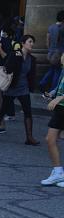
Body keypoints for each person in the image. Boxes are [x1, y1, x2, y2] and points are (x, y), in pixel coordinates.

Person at [0, 35, 39, 145]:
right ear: (23, 43)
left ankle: (29, 137)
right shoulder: (16, 54)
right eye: (30, 41)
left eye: (33, 42)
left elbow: (31, 75)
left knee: (28, 112)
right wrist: (15, 57)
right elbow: (7, 67)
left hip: (24, 88)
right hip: (12, 87)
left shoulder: (32, 59)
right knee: (3, 111)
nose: (32, 44)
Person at [41, 53, 64, 186]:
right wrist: (53, 94)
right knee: (51, 139)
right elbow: (59, 88)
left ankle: (58, 172)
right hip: (60, 109)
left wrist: (59, 98)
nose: (61, 57)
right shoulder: (62, 71)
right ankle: (58, 172)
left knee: (52, 139)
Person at [40, 11, 64, 93]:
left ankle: (42, 83)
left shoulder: (51, 27)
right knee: (58, 72)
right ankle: (53, 90)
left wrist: (50, 50)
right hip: (59, 53)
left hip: (50, 53)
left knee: (52, 69)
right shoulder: (62, 27)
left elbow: (47, 42)